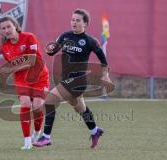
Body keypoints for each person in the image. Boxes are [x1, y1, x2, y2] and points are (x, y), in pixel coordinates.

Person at [33, 8, 113, 149]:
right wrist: (50, 49)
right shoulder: (65, 36)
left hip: (79, 81)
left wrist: (105, 75)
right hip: (66, 80)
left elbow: (103, 59)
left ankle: (46, 137)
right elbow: (53, 51)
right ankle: (95, 131)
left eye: (77, 20)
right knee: (80, 108)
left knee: (50, 100)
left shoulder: (90, 41)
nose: (74, 22)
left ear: (85, 23)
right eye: (72, 20)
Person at [0, 15, 50, 150]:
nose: (7, 30)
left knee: (38, 106)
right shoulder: (4, 47)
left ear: (15, 26)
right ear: (1, 32)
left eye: (9, 26)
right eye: (3, 28)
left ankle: (37, 133)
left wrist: (11, 68)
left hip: (39, 75)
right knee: (26, 103)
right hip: (22, 79)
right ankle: (27, 141)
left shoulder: (29, 37)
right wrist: (12, 68)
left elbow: (32, 61)